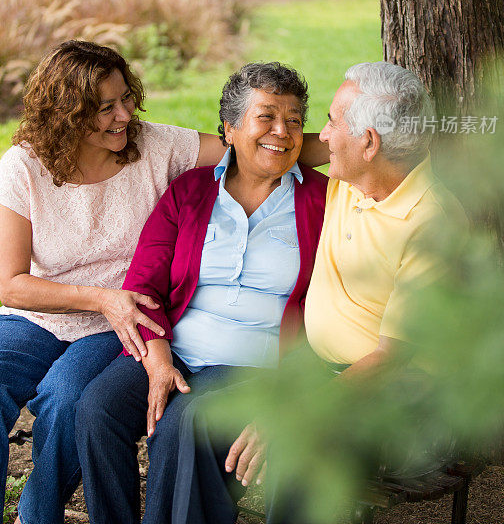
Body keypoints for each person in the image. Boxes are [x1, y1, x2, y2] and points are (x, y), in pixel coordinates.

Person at [171, 60, 467, 524]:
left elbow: (394, 358)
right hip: (320, 371)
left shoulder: (432, 224)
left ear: (368, 142)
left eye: (331, 121)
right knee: (202, 420)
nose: (321, 137)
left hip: (401, 401)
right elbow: (273, 150)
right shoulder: (351, 186)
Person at [0, 38, 241, 524]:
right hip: (41, 311)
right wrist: (97, 298)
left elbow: (250, 147)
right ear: (66, 113)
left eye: (126, 98)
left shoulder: (155, 145)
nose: (125, 115)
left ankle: (36, 514)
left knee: (66, 398)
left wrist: (344, 145)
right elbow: (9, 284)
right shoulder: (23, 167)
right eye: (105, 107)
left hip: (125, 318)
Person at [75, 61, 327, 524]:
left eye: (294, 120)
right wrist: (159, 360)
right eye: (266, 116)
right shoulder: (189, 191)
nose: (282, 131)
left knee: (174, 429)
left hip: (252, 358)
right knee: (95, 409)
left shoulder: (322, 199)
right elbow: (145, 284)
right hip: (174, 345)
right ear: (229, 129)